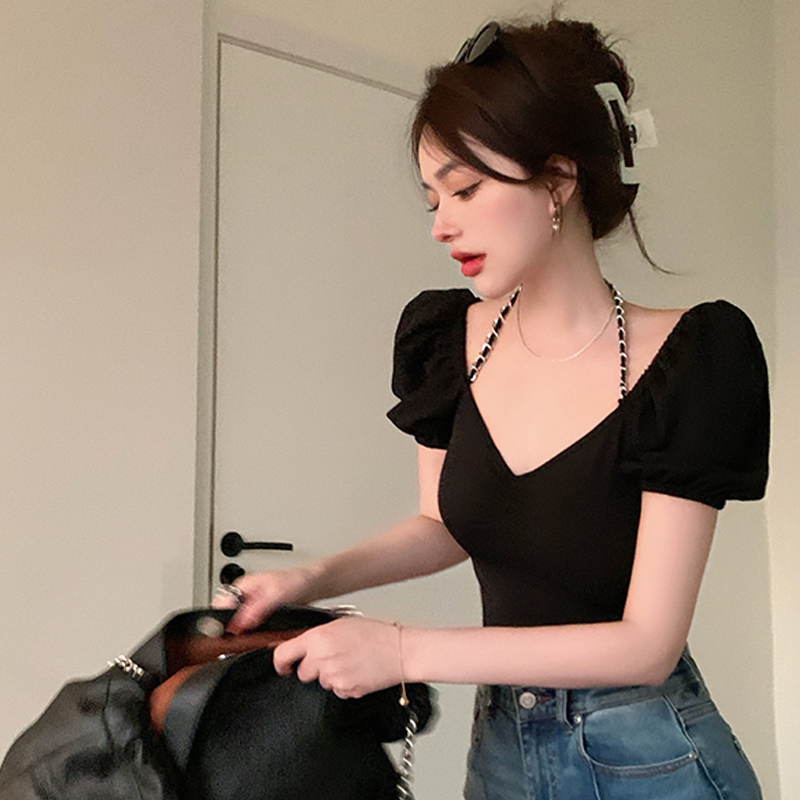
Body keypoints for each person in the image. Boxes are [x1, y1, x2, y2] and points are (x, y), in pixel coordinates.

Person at [214, 14, 769, 799]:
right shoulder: (447, 342)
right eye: (432, 198)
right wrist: (311, 578)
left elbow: (647, 645)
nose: (443, 224)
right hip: (505, 747)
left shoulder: (693, 359)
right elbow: (441, 523)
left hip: (649, 757)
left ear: (558, 180)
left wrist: (401, 651)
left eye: (467, 189)